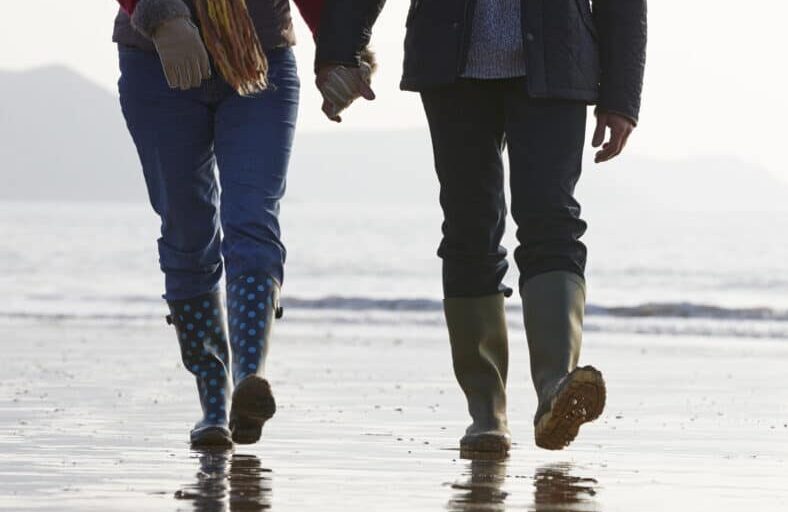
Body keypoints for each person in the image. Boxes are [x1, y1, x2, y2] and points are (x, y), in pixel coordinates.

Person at [314, 0, 647, 455]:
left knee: (551, 220)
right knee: (470, 230)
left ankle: (555, 387)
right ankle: (487, 413)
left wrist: (621, 96)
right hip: (451, 62)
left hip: (557, 57)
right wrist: (339, 51)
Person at [112, 0, 335, 447]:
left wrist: (339, 49)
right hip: (157, 58)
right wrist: (160, 14)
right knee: (186, 232)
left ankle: (249, 381)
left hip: (260, 54)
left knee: (251, 218)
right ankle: (215, 403)